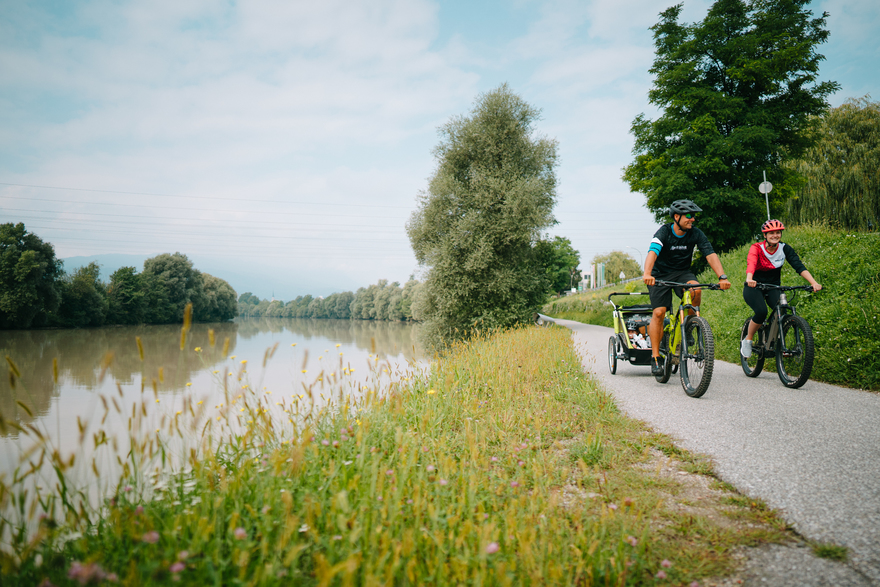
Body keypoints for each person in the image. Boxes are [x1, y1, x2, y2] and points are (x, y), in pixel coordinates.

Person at [642, 200, 732, 376]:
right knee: (659, 312)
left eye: (694, 216)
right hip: (659, 275)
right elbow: (652, 252)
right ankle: (655, 357)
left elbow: (710, 253)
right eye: (689, 216)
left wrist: (722, 277)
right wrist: (647, 273)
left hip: (682, 273)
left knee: (695, 290)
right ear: (676, 217)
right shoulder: (664, 232)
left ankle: (689, 325)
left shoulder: (695, 233)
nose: (692, 220)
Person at [740, 219, 822, 357]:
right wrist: (750, 278)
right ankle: (748, 339)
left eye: (778, 232)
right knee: (761, 311)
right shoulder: (757, 248)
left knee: (782, 311)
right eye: (771, 233)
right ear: (765, 235)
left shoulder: (785, 248)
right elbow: (752, 263)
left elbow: (798, 266)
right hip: (754, 286)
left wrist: (813, 282)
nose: (775, 235)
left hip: (773, 286)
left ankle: (775, 341)